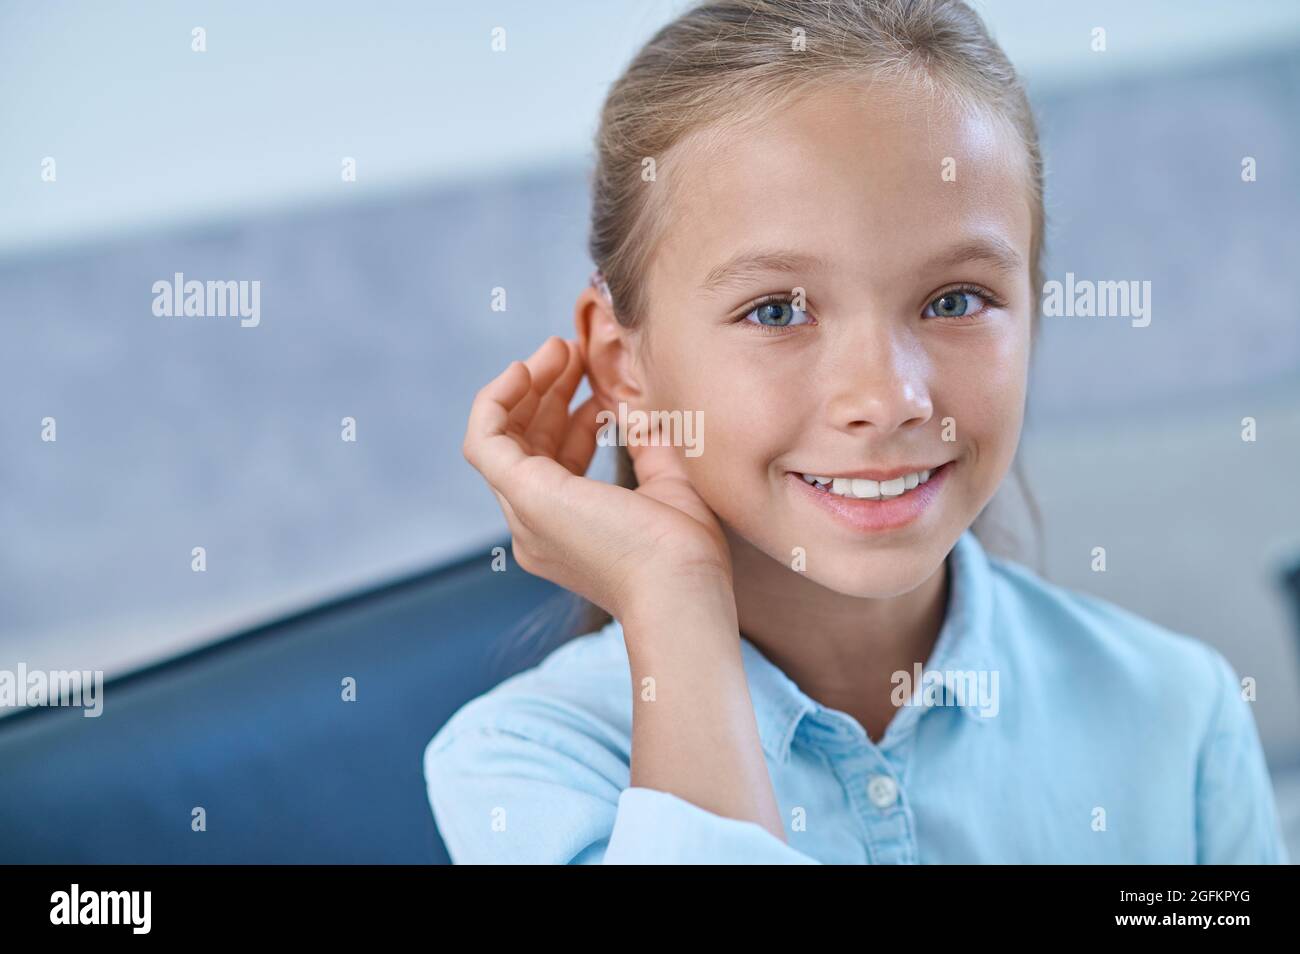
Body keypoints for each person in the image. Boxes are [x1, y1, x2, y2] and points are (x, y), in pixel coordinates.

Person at [423, 0, 1290, 864]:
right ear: (623, 368)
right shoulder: (523, 768)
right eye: (777, 310)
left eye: (956, 300)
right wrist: (673, 604)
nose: (888, 397)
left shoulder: (1177, 714)